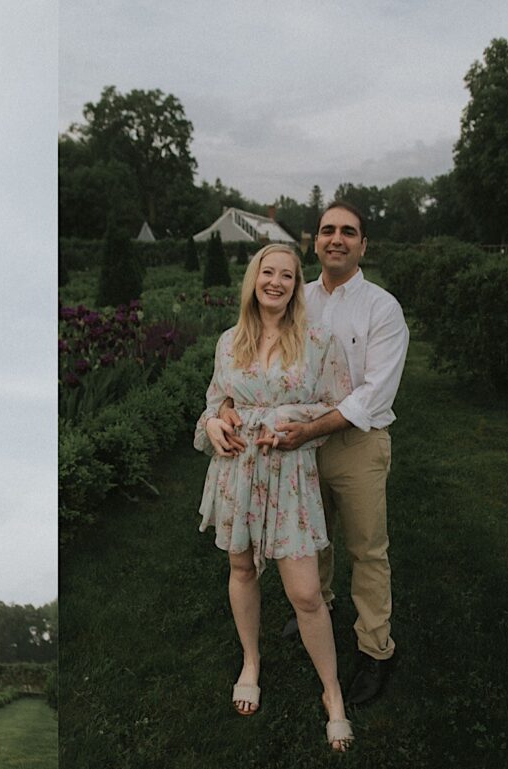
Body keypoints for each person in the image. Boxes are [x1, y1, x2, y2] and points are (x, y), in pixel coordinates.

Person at [217, 201, 409, 706]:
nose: (336, 239)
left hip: (354, 443)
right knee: (308, 540)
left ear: (363, 244)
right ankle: (313, 607)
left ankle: (373, 648)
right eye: (327, 231)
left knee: (366, 548)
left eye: (348, 232)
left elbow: (373, 394)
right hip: (290, 452)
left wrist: (304, 429)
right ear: (316, 242)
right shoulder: (297, 298)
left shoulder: (381, 307)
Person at [195, 244, 355, 751]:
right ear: (254, 278)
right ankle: (250, 661)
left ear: (296, 284)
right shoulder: (230, 341)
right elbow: (215, 400)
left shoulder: (318, 340)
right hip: (238, 471)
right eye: (269, 272)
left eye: (288, 275)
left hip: (289, 474)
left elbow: (337, 404)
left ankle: (333, 694)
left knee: (306, 592)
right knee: (241, 569)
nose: (277, 282)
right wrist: (216, 422)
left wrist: (293, 422)